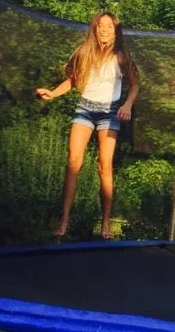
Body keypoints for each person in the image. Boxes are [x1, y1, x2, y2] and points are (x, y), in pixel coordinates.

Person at [35, 12, 139, 239]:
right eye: (101, 26)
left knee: (105, 165)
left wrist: (128, 106)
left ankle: (106, 223)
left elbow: (134, 86)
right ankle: (64, 221)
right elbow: (72, 81)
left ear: (115, 30)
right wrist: (52, 93)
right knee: (73, 161)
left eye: (109, 27)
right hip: (85, 108)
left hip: (109, 112)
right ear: (95, 29)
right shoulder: (85, 52)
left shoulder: (122, 56)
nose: (104, 30)